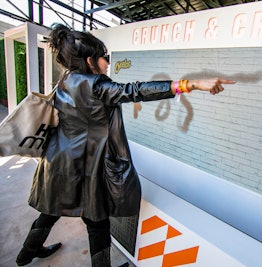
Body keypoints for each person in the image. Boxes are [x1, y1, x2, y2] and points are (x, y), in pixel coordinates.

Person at [15, 23, 235, 267]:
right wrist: (189, 84)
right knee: (97, 222)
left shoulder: (64, 81)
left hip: (57, 160)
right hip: (88, 164)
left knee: (51, 209)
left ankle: (27, 253)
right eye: (104, 57)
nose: (108, 62)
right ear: (90, 60)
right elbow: (135, 91)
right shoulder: (97, 86)